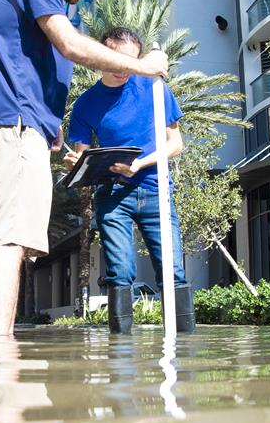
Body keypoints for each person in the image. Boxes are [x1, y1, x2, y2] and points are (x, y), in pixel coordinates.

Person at [0, 0, 169, 338]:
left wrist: (54, 137)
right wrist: (142, 67)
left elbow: (31, 69)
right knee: (9, 241)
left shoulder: (54, 4)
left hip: (29, 131)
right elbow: (71, 46)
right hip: (14, 128)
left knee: (16, 240)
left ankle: (0, 348)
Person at [61, 27, 192, 335]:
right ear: (101, 57)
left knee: (172, 270)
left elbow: (176, 144)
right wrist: (76, 162)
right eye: (117, 60)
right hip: (111, 195)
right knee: (120, 272)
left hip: (155, 190)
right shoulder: (85, 104)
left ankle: (184, 351)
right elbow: (82, 156)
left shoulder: (155, 89)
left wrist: (140, 163)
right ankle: (120, 357)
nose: (124, 69)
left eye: (132, 61)